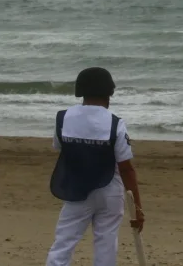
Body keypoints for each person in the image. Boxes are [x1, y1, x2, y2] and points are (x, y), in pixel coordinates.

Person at [45, 67, 144, 266]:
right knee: (106, 244)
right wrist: (138, 207)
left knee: (64, 242)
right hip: (110, 192)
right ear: (109, 92)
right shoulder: (115, 123)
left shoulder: (63, 118)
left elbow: (60, 147)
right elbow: (126, 168)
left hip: (75, 189)